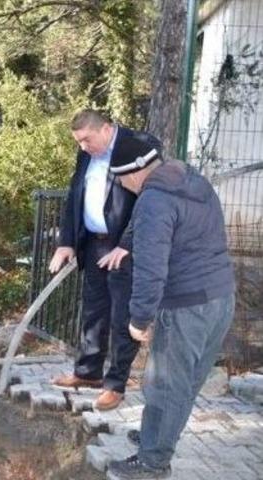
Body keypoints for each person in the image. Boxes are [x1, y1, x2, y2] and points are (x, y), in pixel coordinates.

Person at [103, 136, 235, 480]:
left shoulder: (153, 202)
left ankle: (152, 463)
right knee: (184, 382)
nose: (123, 185)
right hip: (220, 298)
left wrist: (139, 318)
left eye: (121, 178)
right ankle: (155, 438)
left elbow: (151, 267)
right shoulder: (192, 180)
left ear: (133, 172)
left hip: (186, 305)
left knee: (166, 385)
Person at [50, 109, 162, 411]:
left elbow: (148, 203)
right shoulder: (86, 155)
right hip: (95, 246)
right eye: (78, 142)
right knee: (93, 312)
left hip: (125, 249)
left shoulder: (137, 145)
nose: (82, 147)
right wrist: (67, 242)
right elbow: (75, 196)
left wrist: (126, 244)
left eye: (86, 139)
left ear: (106, 129)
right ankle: (87, 374)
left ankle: (116, 385)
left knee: (122, 318)